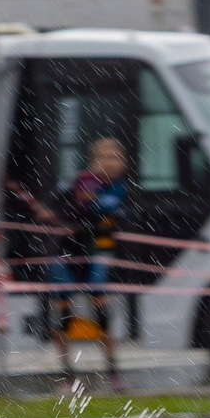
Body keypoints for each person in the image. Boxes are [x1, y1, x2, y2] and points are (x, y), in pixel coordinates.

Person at [54, 137, 131, 388]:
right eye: (104, 157)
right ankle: (67, 372)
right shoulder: (79, 181)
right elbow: (63, 205)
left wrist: (88, 196)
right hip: (66, 252)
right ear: (93, 160)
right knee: (63, 311)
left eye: (114, 157)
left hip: (96, 251)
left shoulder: (119, 189)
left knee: (101, 309)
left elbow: (99, 210)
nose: (109, 163)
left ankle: (112, 369)